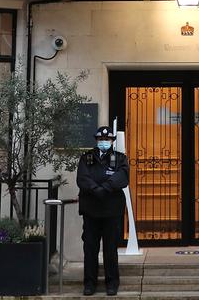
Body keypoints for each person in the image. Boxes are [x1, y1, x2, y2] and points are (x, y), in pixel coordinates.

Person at [75, 125, 129, 296]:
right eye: (100, 140)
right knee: (90, 248)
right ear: (96, 141)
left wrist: (105, 188)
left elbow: (122, 177)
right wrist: (95, 189)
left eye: (107, 140)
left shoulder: (120, 158)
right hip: (91, 211)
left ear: (112, 141)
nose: (104, 142)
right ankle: (89, 283)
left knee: (110, 249)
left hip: (111, 211)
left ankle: (112, 283)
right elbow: (82, 178)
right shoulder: (86, 158)